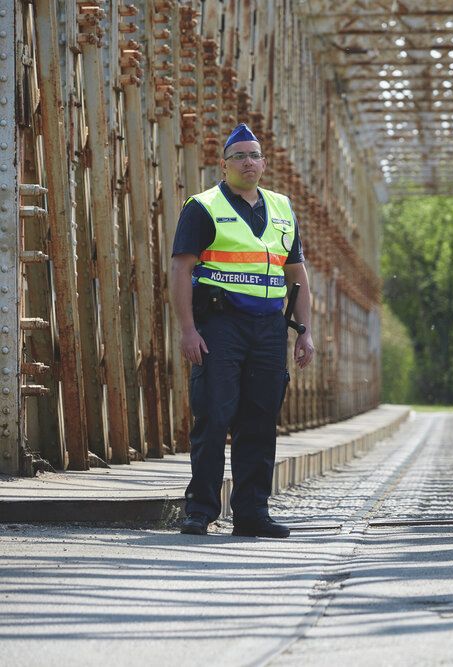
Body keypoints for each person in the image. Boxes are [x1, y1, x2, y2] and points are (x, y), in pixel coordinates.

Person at [171, 123, 315, 538]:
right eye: (240, 156)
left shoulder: (283, 208)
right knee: (213, 416)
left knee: (260, 418)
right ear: (224, 164)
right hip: (219, 327)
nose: (249, 162)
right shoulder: (202, 206)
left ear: (264, 164)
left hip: (269, 329)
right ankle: (200, 510)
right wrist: (187, 330)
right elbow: (182, 269)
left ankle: (252, 512)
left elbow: (297, 276)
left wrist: (304, 332)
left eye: (255, 155)